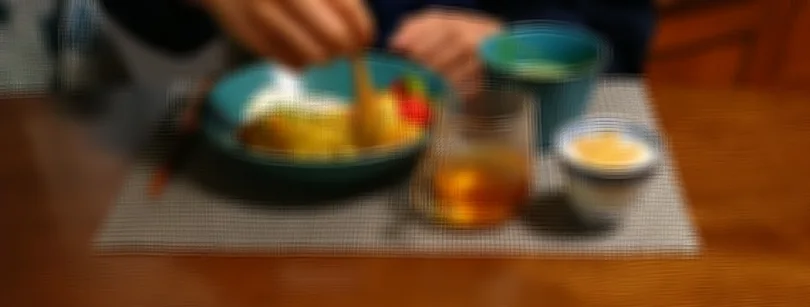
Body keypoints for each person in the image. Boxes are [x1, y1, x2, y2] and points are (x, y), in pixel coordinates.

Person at [99, 0, 655, 91]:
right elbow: (159, 24)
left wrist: (518, 45)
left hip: (500, 137)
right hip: (286, 180)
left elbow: (619, 36)